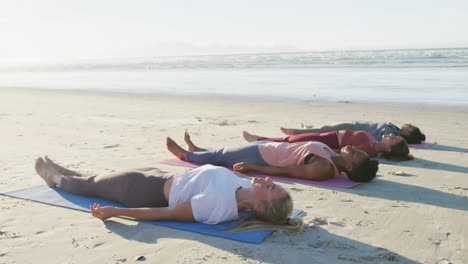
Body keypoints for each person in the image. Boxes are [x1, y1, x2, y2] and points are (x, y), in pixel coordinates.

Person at [34, 156, 303, 232]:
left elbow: (166, 213)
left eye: (270, 187)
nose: (268, 179)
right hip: (157, 176)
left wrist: (117, 212)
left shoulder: (216, 206)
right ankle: (66, 171)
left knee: (89, 185)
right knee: (96, 179)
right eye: (272, 182)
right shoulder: (240, 190)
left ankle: (55, 178)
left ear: (258, 207)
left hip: (141, 189)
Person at [166, 131, 379, 183]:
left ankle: (187, 155)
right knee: (223, 154)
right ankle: (198, 149)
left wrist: (252, 168)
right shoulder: (332, 156)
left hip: (262, 156)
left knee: (222, 155)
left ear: (350, 167)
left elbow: (288, 171)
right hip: (268, 148)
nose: (352, 147)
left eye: (356, 154)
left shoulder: (324, 167)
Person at [242, 130, 413, 161]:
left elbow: (341, 151)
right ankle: (259, 139)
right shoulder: (374, 143)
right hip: (330, 135)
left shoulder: (368, 150)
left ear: (390, 149)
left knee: (291, 141)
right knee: (292, 138)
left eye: (393, 139)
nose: (390, 135)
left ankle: (258, 140)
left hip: (328, 141)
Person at [281, 122, 426, 144]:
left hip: (352, 130)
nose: (409, 124)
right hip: (354, 126)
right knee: (323, 131)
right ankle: (297, 133)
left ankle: (295, 132)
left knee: (323, 131)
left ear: (408, 133)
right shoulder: (393, 128)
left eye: (410, 127)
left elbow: (377, 140)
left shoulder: (389, 132)